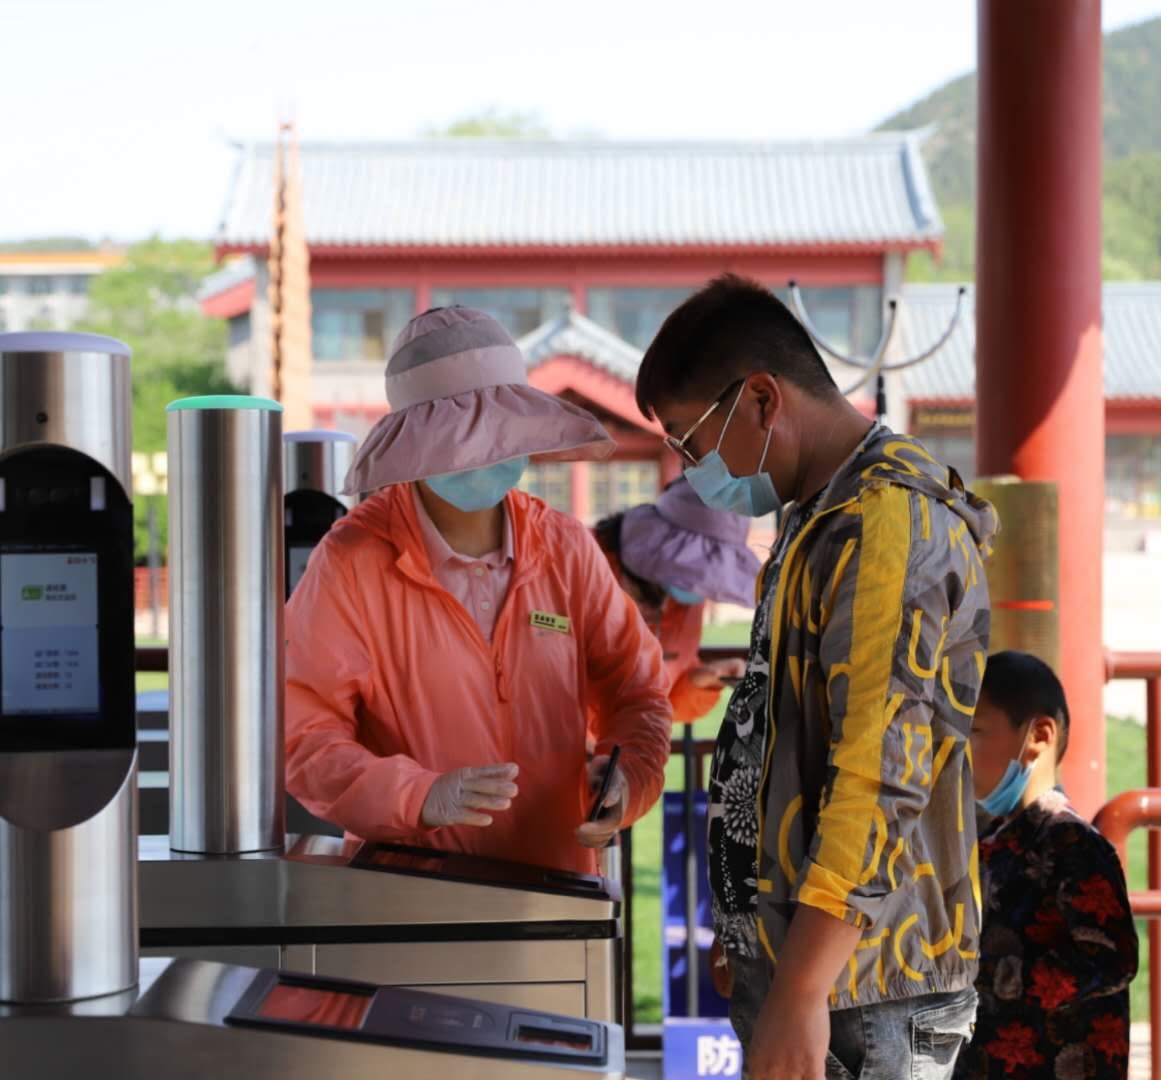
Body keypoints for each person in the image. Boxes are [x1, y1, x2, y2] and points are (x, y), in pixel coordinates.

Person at [634, 274, 998, 1079]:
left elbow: (876, 774)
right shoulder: (818, 512)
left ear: (761, 400)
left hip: (859, 987)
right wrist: (754, 937)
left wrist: (799, 986)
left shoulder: (884, 524)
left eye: (691, 442)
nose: (692, 470)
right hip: (809, 966)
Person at [285, 306, 673, 875]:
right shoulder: (351, 561)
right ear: (414, 443)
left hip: (558, 890)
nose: (482, 455)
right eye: (457, 439)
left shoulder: (566, 547)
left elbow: (637, 690)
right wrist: (417, 796)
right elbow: (303, 732)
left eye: (495, 433)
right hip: (408, 895)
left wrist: (628, 778)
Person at [955, 651, 1137, 1079]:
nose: (959, 753)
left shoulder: (1071, 844)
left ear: (1039, 733)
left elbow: (1112, 960)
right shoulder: (991, 837)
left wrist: (984, 974)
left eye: (974, 732)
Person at [592, 478, 758, 724]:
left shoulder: (685, 595)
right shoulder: (585, 569)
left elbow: (665, 701)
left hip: (628, 748)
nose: (699, 588)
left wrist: (700, 679)